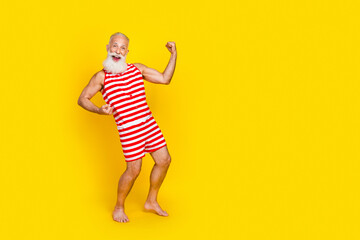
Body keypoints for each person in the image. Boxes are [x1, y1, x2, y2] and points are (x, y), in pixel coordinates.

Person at [77, 32, 177, 223]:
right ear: (108, 48)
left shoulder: (137, 69)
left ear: (127, 52)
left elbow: (165, 79)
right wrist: (99, 110)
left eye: (123, 48)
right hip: (129, 129)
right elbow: (82, 99)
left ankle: (151, 201)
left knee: (164, 160)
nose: (118, 50)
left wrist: (173, 55)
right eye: (115, 46)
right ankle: (119, 207)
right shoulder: (101, 77)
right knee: (133, 171)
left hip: (149, 124)